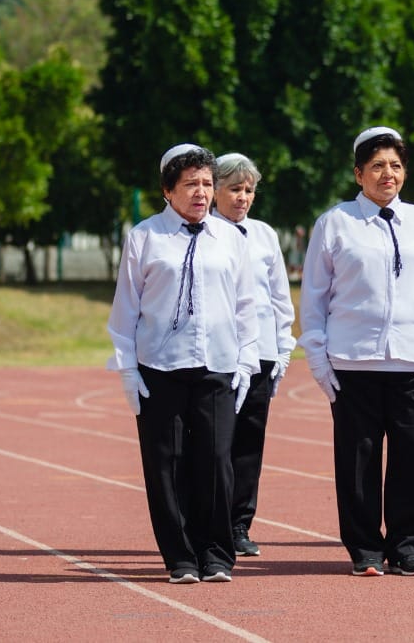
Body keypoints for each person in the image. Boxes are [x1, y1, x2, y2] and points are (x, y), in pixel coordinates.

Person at [299, 126, 414, 577]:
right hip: (354, 363)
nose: (387, 174)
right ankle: (365, 548)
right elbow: (313, 300)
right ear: (358, 174)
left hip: (413, 361)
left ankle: (409, 547)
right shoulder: (335, 223)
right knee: (357, 460)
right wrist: (317, 359)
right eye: (377, 166)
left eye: (395, 165)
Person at [107, 144, 261, 584]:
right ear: (167, 190)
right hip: (160, 366)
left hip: (217, 365)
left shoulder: (231, 238)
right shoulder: (144, 237)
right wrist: (128, 370)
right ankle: (180, 557)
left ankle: (216, 554)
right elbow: (126, 310)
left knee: (215, 460)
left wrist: (247, 362)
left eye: (207, 184)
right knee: (166, 463)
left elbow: (247, 306)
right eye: (190, 184)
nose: (201, 193)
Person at [211, 152, 296, 557]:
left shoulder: (264, 235)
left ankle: (239, 524)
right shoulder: (205, 232)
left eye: (248, 190)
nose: (242, 197)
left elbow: (279, 297)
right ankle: (210, 522)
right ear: (215, 191)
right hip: (217, 358)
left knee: (248, 444)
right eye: (234, 189)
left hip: (260, 355)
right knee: (215, 444)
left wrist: (282, 350)